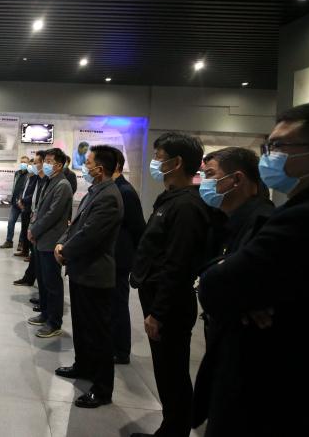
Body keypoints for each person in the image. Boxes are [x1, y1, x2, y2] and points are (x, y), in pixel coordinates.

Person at [198, 102, 309, 437]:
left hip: (271, 400)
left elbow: (216, 286)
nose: (268, 156)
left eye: (279, 146)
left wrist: (234, 284)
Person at [130, 132, 212, 437]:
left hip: (170, 305)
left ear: (177, 162)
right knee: (166, 371)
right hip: (158, 298)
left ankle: (174, 430)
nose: (155, 162)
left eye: (159, 157)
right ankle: (171, 426)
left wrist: (159, 312)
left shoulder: (187, 206)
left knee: (172, 373)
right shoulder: (171, 199)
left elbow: (177, 263)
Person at [191, 146, 275, 434]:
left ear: (236, 179)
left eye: (210, 175)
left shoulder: (262, 221)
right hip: (224, 336)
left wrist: (224, 285)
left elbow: (229, 282)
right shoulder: (225, 220)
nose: (204, 182)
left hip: (247, 357)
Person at [54, 145, 124, 408]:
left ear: (100, 169)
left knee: (98, 333)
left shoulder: (109, 197)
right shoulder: (95, 191)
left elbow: (90, 235)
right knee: (82, 326)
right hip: (81, 270)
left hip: (95, 273)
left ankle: (102, 388)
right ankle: (83, 366)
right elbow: (76, 225)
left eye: (89, 162)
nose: (85, 166)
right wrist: (62, 242)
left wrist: (65, 251)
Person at [27, 148, 73, 338]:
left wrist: (34, 230)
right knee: (43, 281)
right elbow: (39, 209)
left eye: (49, 161)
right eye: (44, 160)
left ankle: (54, 322)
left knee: (52, 283)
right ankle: (45, 314)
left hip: (51, 240)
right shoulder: (49, 181)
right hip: (41, 240)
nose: (45, 164)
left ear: (59, 165)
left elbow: (52, 214)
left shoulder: (63, 185)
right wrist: (32, 228)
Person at [111, 149, 146, 365]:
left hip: (120, 259)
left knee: (118, 305)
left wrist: (134, 262)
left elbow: (138, 228)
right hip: (110, 258)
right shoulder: (112, 188)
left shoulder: (125, 191)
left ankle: (121, 350)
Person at [13, 151, 46, 286]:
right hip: (33, 213)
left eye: (35, 163)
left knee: (37, 254)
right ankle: (29, 278)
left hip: (39, 219)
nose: (32, 166)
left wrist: (35, 214)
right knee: (35, 255)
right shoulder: (37, 179)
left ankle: (34, 280)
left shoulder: (48, 181)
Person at [0, 156, 31, 250]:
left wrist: (22, 199)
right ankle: (9, 241)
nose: (23, 164)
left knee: (24, 224)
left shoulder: (30, 174)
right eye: (21, 162)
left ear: (28, 164)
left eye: (25, 162)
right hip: (14, 202)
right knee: (10, 222)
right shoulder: (17, 173)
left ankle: (21, 243)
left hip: (23, 203)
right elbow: (15, 186)